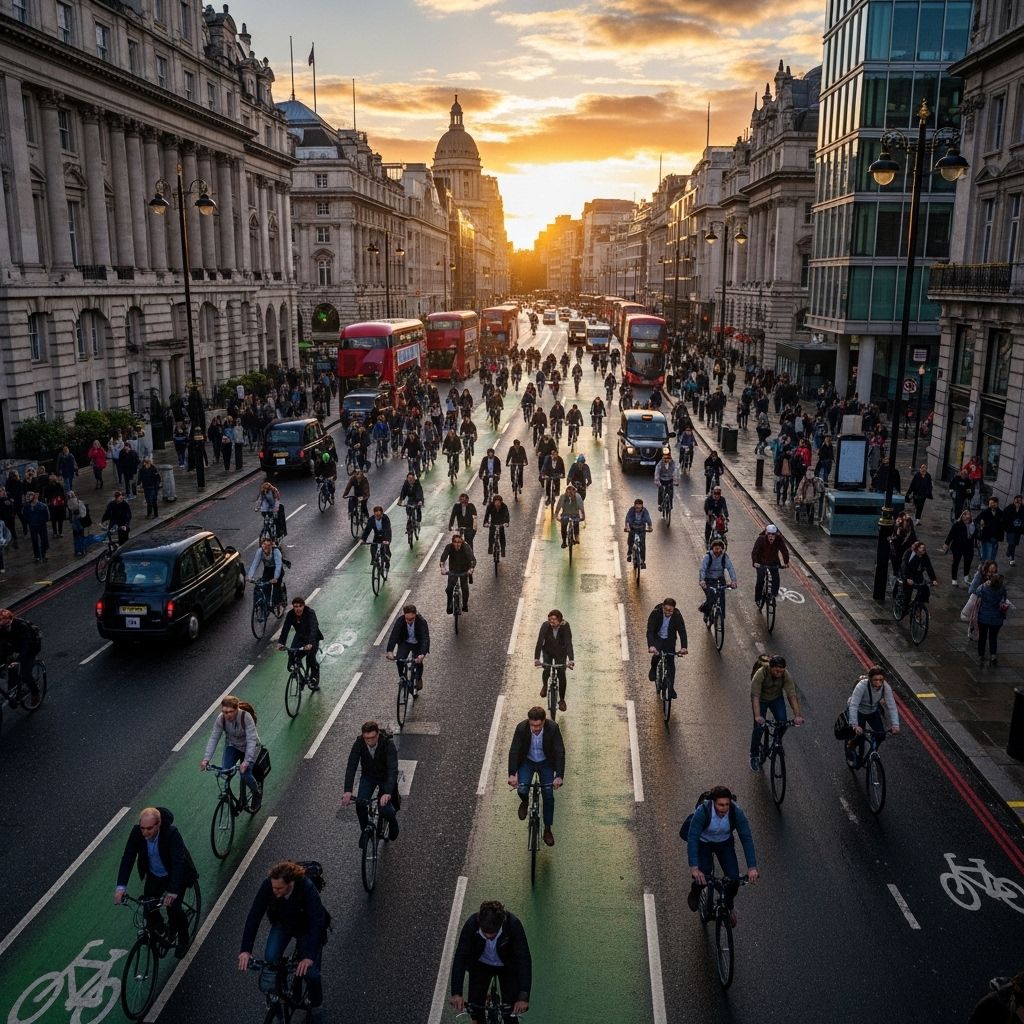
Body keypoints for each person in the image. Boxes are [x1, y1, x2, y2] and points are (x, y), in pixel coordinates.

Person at [238, 861, 327, 1018]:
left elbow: (317, 922)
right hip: (284, 923)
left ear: (290, 884)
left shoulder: (306, 887)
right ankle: (278, 995)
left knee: (312, 975)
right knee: (271, 958)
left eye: (279, 888)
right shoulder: (269, 885)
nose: (274, 891)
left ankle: (317, 1006)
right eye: (273, 887)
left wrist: (309, 957)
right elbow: (254, 915)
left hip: (306, 927)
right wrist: (245, 950)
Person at [115, 807, 198, 958]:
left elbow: (177, 863)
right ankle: (164, 930)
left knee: (174, 909)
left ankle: (184, 938)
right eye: (142, 828)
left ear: (158, 824)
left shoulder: (171, 834)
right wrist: (121, 887)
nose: (145, 833)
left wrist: (172, 892)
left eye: (149, 828)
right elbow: (128, 858)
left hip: (175, 875)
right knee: (148, 908)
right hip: (155, 875)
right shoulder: (136, 833)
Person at [684, 787, 759, 926]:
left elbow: (746, 837)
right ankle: (695, 891)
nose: (724, 808)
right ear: (713, 803)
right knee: (703, 875)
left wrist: (752, 867)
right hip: (703, 843)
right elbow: (693, 837)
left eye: (727, 804)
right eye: (720, 805)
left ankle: (729, 907)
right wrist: (694, 867)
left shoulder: (736, 812)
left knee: (734, 879)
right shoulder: (703, 811)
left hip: (724, 844)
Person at [450, 901, 532, 1022]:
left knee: (510, 1016)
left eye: (492, 935)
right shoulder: (471, 925)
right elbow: (460, 957)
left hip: (507, 967)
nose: (488, 937)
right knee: (475, 1012)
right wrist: (456, 993)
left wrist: (523, 997)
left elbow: (524, 959)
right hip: (480, 965)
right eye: (485, 934)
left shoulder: (513, 925)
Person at [507, 706, 565, 847]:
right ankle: (525, 802)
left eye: (539, 725)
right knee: (522, 789)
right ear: (529, 721)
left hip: (546, 763)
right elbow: (514, 750)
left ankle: (547, 830)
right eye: (533, 725)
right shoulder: (521, 728)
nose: (536, 728)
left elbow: (559, 751)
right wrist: (512, 774)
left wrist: (559, 776)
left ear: (544, 721)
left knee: (548, 795)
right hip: (527, 762)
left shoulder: (553, 728)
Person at [200, 695, 264, 811]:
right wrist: (206, 758)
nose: (228, 715)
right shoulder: (221, 719)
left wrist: (246, 761)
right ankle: (230, 797)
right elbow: (214, 738)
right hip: (233, 746)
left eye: (231, 712)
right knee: (225, 771)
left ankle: (257, 793)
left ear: (237, 709)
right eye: (225, 712)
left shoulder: (246, 717)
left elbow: (251, 740)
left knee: (245, 773)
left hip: (251, 747)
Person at [342, 720, 399, 844]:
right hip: (368, 776)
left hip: (385, 776)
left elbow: (392, 769)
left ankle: (392, 822)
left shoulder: (388, 744)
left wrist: (388, 792)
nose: (370, 741)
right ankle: (365, 831)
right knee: (360, 804)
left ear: (378, 734)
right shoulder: (359, 743)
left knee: (385, 807)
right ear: (363, 736)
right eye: (367, 738)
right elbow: (351, 766)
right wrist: (347, 791)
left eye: (373, 737)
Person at [749, 655, 804, 772]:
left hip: (776, 699)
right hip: (761, 700)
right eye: (776, 670)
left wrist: (797, 715)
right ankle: (754, 756)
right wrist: (758, 716)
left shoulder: (785, 675)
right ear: (770, 667)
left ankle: (775, 741)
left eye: (781, 671)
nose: (779, 673)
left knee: (783, 723)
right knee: (758, 728)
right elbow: (755, 697)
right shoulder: (760, 674)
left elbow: (791, 695)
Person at [845, 666, 900, 767]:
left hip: (872, 711)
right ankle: (851, 745)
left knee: (881, 735)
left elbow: (892, 706)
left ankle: (872, 753)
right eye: (875, 680)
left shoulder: (885, 687)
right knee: (859, 735)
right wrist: (855, 725)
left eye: (881, 679)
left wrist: (895, 724)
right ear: (870, 679)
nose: (879, 682)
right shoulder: (862, 686)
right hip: (859, 711)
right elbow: (853, 705)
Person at [645, 598, 688, 699]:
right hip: (657, 637)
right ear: (662, 607)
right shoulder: (656, 613)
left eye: (670, 611)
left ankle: (671, 688)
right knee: (657, 655)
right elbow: (650, 630)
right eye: (666, 610)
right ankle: (654, 668)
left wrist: (684, 647)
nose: (668, 612)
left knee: (670, 663)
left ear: (674, 609)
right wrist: (651, 645)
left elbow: (682, 631)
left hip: (669, 639)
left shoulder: (677, 615)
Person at [278, 596, 323, 689]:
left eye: (299, 606)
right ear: (293, 607)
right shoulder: (290, 614)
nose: (297, 609)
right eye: (295, 606)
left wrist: (311, 643)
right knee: (292, 653)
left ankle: (314, 675)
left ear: (303, 606)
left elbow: (314, 629)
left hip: (312, 638)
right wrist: (281, 643)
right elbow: (285, 629)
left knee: (310, 657)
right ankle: (300, 677)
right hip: (300, 636)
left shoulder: (310, 613)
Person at [534, 609, 574, 711]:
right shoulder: (545, 626)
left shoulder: (565, 627)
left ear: (560, 621)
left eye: (554, 619)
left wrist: (571, 659)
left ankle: (562, 700)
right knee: (546, 668)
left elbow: (569, 643)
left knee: (561, 674)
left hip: (560, 653)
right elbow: (539, 641)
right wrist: (537, 658)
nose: (551, 621)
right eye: (549, 619)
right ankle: (545, 685)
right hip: (547, 650)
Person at [0, 607, 41, 702]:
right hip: (14, 647)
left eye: (2, 622)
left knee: (25, 674)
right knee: (10, 669)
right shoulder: (2, 628)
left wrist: (18, 660)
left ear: (9, 620)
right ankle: (13, 691)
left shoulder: (21, 626)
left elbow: (27, 645)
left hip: (30, 649)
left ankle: (35, 694)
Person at [386, 603, 430, 691]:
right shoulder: (400, 621)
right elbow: (394, 635)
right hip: (405, 642)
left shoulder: (421, 622)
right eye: (407, 619)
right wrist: (390, 651)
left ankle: (418, 678)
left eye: (412, 619)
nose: (409, 621)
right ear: (404, 615)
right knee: (399, 660)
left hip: (417, 643)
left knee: (418, 662)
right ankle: (402, 677)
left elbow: (425, 638)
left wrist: (422, 654)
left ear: (415, 615)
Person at [751, 523, 790, 607]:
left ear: (776, 534)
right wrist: (755, 562)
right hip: (760, 562)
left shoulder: (779, 539)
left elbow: (784, 551)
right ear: (766, 533)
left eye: (773, 534)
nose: (771, 536)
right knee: (760, 580)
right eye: (769, 534)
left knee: (776, 578)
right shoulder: (761, 539)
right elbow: (755, 552)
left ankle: (773, 595)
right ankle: (758, 598)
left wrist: (786, 562)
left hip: (773, 562)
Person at [698, 538, 738, 617]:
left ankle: (721, 617)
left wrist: (733, 581)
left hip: (720, 579)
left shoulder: (724, 557)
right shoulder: (707, 557)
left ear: (722, 549)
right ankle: (706, 612)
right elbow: (702, 569)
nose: (717, 551)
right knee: (711, 597)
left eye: (719, 548)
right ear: (712, 548)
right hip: (707, 580)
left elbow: (730, 568)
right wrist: (702, 580)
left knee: (722, 597)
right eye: (715, 548)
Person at [976, 572, 1009, 667]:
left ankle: (981, 655)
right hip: (997, 619)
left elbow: (977, 593)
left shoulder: (984, 588)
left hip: (983, 617)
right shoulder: (1002, 589)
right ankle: (993, 655)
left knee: (982, 637)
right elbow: (1004, 599)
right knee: (993, 637)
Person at [440, 532, 476, 614]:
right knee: (449, 589)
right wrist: (443, 568)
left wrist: (471, 569)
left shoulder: (466, 547)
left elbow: (473, 560)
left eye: (459, 542)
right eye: (455, 542)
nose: (457, 544)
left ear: (462, 542)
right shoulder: (449, 547)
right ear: (452, 542)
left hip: (464, 570)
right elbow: (443, 558)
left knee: (465, 588)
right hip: (453, 570)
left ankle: (465, 605)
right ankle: (449, 604)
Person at [248, 536, 285, 610]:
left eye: (268, 545)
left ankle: (279, 604)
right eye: (264, 545)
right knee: (263, 585)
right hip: (267, 569)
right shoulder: (260, 551)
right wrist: (250, 576)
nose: (265, 547)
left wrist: (275, 578)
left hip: (277, 570)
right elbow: (255, 564)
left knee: (275, 586)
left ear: (271, 546)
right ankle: (265, 602)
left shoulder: (276, 552)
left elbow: (278, 566)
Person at [899, 540, 938, 610]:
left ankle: (919, 605)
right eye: (921, 548)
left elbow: (929, 567)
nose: (923, 550)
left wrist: (933, 579)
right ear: (917, 549)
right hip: (907, 575)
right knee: (908, 592)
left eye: (924, 549)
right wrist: (907, 578)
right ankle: (905, 607)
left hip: (917, 575)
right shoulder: (909, 553)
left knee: (924, 589)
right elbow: (904, 565)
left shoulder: (925, 556)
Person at [942, 508, 976, 586]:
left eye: (968, 514)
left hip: (968, 547)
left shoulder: (973, 525)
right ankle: (954, 579)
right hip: (958, 546)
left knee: (968, 561)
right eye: (964, 514)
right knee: (956, 562)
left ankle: (966, 577)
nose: (966, 516)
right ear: (962, 516)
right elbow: (951, 534)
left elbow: (975, 535)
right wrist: (946, 543)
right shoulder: (957, 524)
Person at [554, 483, 585, 548]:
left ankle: (576, 537)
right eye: (569, 492)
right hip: (565, 514)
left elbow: (582, 508)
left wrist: (583, 517)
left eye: (572, 492)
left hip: (575, 515)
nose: (570, 494)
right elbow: (558, 507)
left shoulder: (578, 497)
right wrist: (556, 516)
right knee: (563, 526)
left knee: (576, 523)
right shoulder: (563, 497)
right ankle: (564, 541)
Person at [624, 497, 653, 566]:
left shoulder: (644, 511)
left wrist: (650, 527)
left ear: (642, 506)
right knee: (630, 541)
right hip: (633, 528)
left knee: (642, 544)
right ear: (634, 506)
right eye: (637, 508)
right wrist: (627, 527)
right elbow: (628, 519)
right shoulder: (631, 510)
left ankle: (642, 561)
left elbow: (648, 519)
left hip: (641, 528)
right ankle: (629, 554)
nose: (638, 509)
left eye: (640, 508)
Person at [976, 495, 1005, 563]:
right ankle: (982, 569)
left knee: (992, 556)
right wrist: (981, 521)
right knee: (986, 555)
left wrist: (1000, 537)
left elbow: (1003, 525)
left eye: (994, 503)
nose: (992, 505)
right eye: (990, 503)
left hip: (995, 537)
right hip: (986, 536)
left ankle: (988, 568)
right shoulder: (985, 512)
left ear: (997, 503)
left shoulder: (1001, 513)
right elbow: (977, 519)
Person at [25, 491, 50, 563]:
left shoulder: (42, 505)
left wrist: (41, 522)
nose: (27, 497)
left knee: (44, 540)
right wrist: (29, 521)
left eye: (29, 496)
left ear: (33, 497)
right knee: (34, 541)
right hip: (32, 526)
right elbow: (25, 516)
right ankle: (37, 556)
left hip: (41, 525)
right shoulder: (27, 507)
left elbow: (47, 517)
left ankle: (43, 554)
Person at [1003, 494, 1024, 567]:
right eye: (1017, 500)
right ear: (1014, 500)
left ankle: (1009, 552)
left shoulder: (1022, 509)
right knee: (1011, 542)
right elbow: (1005, 516)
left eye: (1020, 501)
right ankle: (1012, 559)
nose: (1018, 502)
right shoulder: (1009, 508)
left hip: (1018, 530)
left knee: (1014, 544)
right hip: (1010, 529)